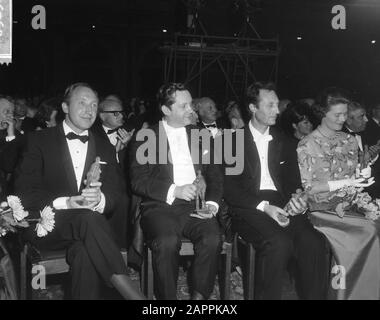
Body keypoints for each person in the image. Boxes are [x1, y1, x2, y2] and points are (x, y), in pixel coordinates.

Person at [14, 83, 145, 300]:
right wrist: (67, 202)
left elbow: (118, 194)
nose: (89, 110)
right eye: (82, 103)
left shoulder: (104, 147)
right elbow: (24, 192)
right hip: (48, 227)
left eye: (94, 105)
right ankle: (134, 296)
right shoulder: (39, 141)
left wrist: (100, 199)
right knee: (87, 218)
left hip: (90, 234)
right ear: (65, 107)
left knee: (83, 252)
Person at [224, 81, 328, 300]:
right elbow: (229, 189)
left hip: (281, 202)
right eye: (270, 105)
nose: (277, 110)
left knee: (314, 242)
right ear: (252, 108)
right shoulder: (230, 142)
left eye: (277, 104)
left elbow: (293, 182)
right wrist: (264, 207)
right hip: (249, 206)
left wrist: (298, 198)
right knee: (278, 243)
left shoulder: (286, 141)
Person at [130, 82, 223, 300]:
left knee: (213, 237)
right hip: (159, 206)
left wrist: (211, 204)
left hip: (195, 207)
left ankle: (198, 301)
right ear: (166, 110)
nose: (191, 110)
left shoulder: (201, 134)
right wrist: (175, 190)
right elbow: (138, 181)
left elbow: (216, 176)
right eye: (184, 106)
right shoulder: (145, 137)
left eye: (191, 105)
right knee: (167, 241)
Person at [297, 87, 380, 299]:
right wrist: (347, 182)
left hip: (349, 205)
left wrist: (362, 175)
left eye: (345, 114)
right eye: (338, 115)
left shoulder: (350, 140)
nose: (343, 119)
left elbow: (354, 177)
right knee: (369, 230)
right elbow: (311, 188)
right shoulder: (307, 144)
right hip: (321, 210)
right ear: (322, 113)